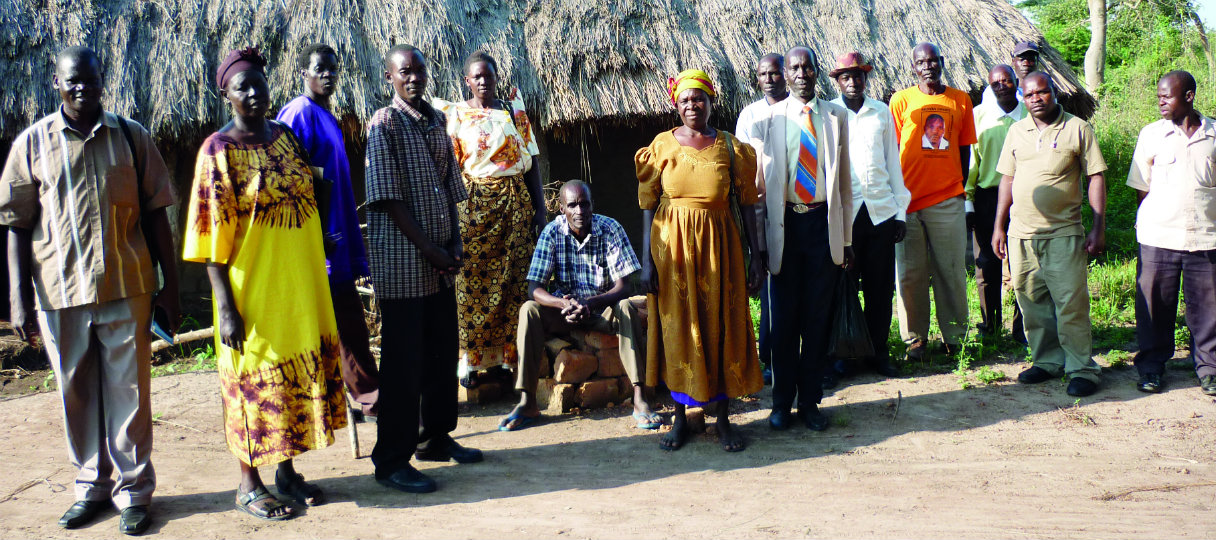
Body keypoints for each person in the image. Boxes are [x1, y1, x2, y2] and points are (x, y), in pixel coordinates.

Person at [0, 45, 179, 536]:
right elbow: (16, 224)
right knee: (75, 395)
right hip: (59, 292)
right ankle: (90, 488)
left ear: (104, 81)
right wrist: (17, 297)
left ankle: (134, 494)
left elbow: (157, 213)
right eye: (71, 80)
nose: (81, 87)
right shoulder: (32, 144)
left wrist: (171, 287)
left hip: (128, 285)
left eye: (90, 79)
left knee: (130, 395)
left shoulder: (132, 138)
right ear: (56, 84)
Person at [182, 47, 346, 520]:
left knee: (291, 375)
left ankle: (287, 472)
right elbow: (209, 236)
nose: (253, 93)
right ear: (226, 95)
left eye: (258, 83)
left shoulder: (287, 138)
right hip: (250, 289)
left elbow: (314, 191)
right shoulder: (218, 151)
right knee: (251, 380)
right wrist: (225, 307)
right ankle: (248, 484)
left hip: (298, 285)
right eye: (242, 87)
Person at [365, 44, 483, 495]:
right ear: (389, 79)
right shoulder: (385, 124)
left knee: (439, 353)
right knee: (402, 365)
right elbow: (389, 198)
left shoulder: (436, 120)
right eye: (403, 73)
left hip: (438, 263)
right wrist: (429, 249)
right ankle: (391, 460)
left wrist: (451, 242)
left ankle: (434, 438)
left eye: (418, 71)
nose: (412, 79)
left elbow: (452, 187)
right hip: (404, 264)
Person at [636, 69, 765, 452]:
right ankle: (680, 420)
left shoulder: (730, 146)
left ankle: (722, 420)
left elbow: (746, 206)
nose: (693, 105)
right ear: (675, 105)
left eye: (700, 99)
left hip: (722, 251)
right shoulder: (660, 146)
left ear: (711, 102)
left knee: (722, 326)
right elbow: (647, 206)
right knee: (679, 330)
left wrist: (754, 258)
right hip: (673, 254)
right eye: (685, 100)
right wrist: (647, 261)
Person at [748, 47, 854, 430]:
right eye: (794, 67)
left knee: (817, 320)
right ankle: (780, 404)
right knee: (783, 323)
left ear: (816, 72)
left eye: (807, 66)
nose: (801, 73)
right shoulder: (769, 120)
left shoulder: (836, 116)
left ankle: (810, 403)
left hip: (823, 226)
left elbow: (843, 181)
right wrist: (758, 247)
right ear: (786, 75)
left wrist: (846, 241)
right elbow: (760, 190)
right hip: (785, 229)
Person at [499, 180, 657, 431]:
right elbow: (534, 289)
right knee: (529, 310)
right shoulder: (551, 233)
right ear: (561, 208)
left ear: (593, 205)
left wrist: (590, 302)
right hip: (565, 313)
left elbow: (624, 287)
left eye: (585, 204)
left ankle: (639, 397)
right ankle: (527, 401)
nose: (579, 211)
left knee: (627, 307)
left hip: (603, 308)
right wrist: (562, 303)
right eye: (572, 205)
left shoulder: (610, 228)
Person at [275, 43, 379, 420]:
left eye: (333, 69)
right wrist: (312, 233)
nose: (328, 74)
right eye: (320, 68)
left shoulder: (326, 115)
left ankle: (350, 397)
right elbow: (287, 178)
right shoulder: (298, 114)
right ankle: (370, 397)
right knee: (347, 323)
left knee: (344, 323)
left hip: (335, 237)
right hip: (319, 244)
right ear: (303, 71)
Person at [433, 50, 546, 387]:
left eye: (488, 75)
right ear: (466, 81)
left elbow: (533, 162)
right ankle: (470, 362)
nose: (483, 81)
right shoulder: (455, 115)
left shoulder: (513, 109)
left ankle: (509, 361)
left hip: (515, 208)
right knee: (471, 286)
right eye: (476, 76)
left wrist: (540, 210)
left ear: (497, 76)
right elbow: (448, 169)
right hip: (473, 208)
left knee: (514, 284)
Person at [991, 72, 1107, 397]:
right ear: (1022, 99)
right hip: (1021, 236)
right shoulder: (1017, 131)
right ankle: (1047, 361)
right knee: (1031, 302)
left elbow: (1095, 177)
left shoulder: (1077, 128)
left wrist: (1098, 227)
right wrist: (999, 226)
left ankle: (1082, 369)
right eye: (1029, 95)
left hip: (1063, 233)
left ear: (1053, 92)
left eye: (1042, 93)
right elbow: (1007, 181)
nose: (1036, 99)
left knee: (1071, 302)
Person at [1127, 70, 1216, 396]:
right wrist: (1153, 220)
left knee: (1209, 310)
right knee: (1154, 307)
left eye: (1168, 96)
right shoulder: (1151, 134)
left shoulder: (1213, 134)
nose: (1160, 101)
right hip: (1158, 238)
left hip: (1205, 236)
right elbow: (1141, 188)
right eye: (1159, 95)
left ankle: (1209, 369)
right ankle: (1151, 368)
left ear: (1189, 96)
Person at [889, 42, 977, 361]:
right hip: (907, 202)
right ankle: (915, 339)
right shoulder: (900, 101)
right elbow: (893, 149)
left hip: (947, 199)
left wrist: (957, 186)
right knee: (910, 273)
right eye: (920, 62)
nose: (927, 66)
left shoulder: (960, 100)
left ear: (942, 61)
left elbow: (965, 149)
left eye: (932, 60)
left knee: (950, 269)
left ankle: (955, 336)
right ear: (913, 67)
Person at [828, 51, 909, 383]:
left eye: (858, 75)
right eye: (846, 76)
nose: (853, 81)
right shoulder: (828, 114)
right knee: (843, 287)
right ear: (837, 81)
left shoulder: (881, 112)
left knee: (880, 288)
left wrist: (900, 212)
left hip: (880, 211)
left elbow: (893, 163)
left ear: (865, 78)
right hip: (845, 215)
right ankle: (845, 355)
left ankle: (878, 353)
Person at [736, 53, 788, 384]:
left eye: (774, 72)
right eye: (762, 74)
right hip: (763, 209)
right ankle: (769, 357)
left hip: (799, 207)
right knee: (770, 287)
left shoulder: (799, 109)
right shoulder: (749, 115)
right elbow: (744, 168)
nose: (769, 78)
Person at [967, 65, 1027, 343]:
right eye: (995, 83)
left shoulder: (1030, 114)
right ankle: (989, 327)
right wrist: (968, 202)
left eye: (1006, 81)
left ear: (1016, 82)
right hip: (987, 197)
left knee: (1023, 264)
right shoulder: (978, 116)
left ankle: (1022, 329)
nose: (1001, 86)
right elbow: (972, 163)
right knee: (986, 264)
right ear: (989, 87)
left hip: (1025, 197)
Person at [981, 41, 1039, 105]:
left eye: (1031, 60)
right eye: (1022, 59)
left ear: (1037, 62)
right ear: (1013, 61)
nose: (1026, 64)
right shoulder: (993, 91)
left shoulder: (1043, 91)